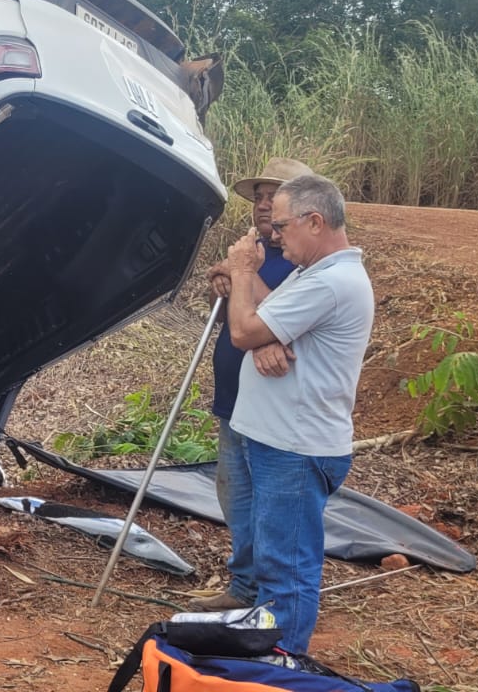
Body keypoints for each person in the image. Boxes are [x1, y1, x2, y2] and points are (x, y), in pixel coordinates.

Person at [218, 173, 374, 653]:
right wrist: (248, 296)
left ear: (314, 220)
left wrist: (243, 271)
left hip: (295, 447)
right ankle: (268, 645)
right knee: (275, 558)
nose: (275, 233)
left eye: (283, 225)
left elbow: (245, 331)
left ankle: (281, 662)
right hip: (278, 441)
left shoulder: (331, 281)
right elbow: (266, 318)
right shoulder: (314, 273)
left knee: (287, 567)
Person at [191, 157, 312, 613]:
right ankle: (243, 585)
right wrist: (222, 281)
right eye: (260, 197)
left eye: (273, 197)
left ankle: (273, 596)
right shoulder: (251, 250)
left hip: (273, 408)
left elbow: (283, 319)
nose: (264, 205)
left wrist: (242, 274)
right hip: (232, 400)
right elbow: (228, 314)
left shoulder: (301, 263)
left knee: (269, 502)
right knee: (235, 496)